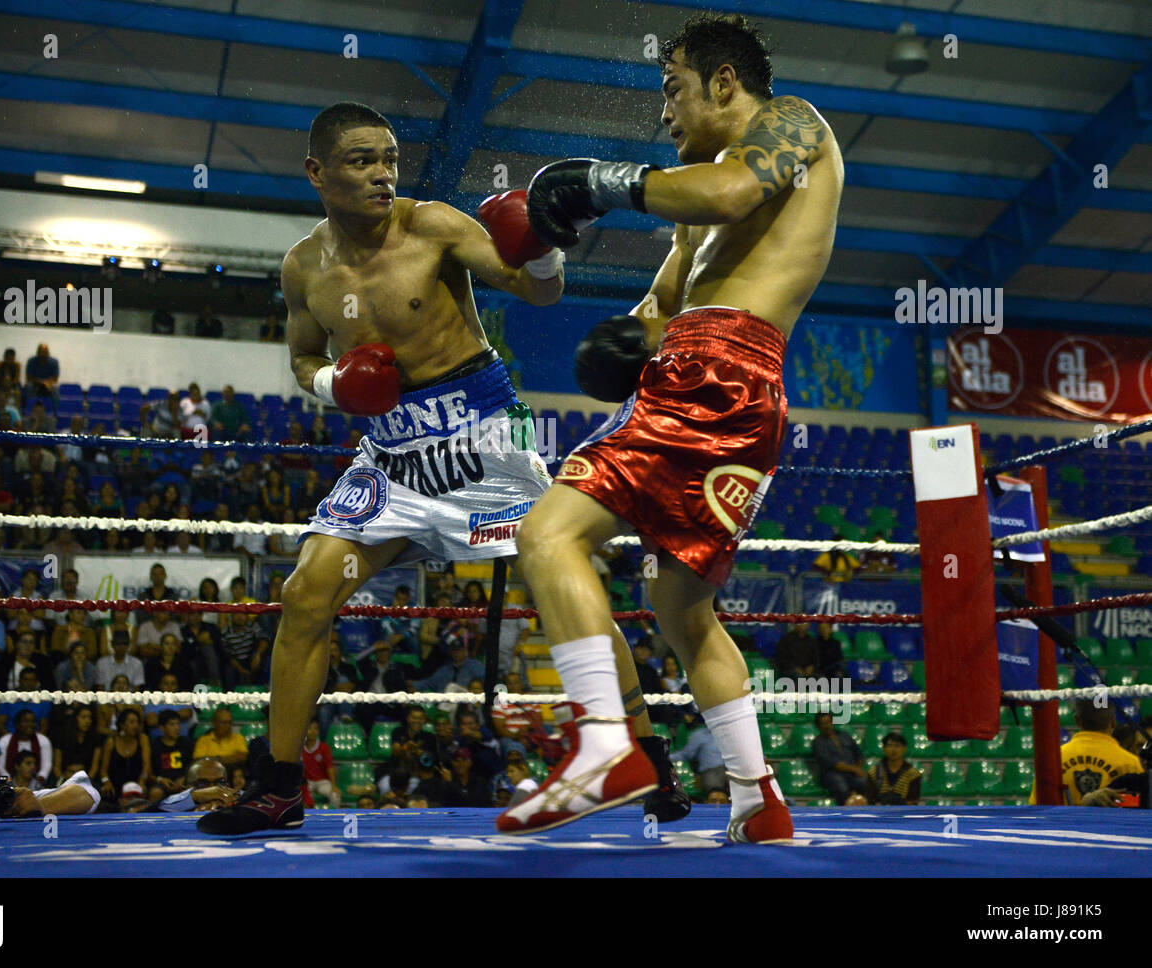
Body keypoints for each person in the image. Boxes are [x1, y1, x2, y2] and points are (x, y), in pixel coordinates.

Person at [199, 100, 671, 836]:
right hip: (390, 457)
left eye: (389, 157)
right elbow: (300, 357)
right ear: (317, 173)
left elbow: (537, 289)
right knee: (305, 594)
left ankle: (645, 753)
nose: (384, 173)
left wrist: (541, 246)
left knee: (564, 587)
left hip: (483, 437)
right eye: (363, 161)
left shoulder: (435, 226)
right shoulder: (303, 267)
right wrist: (335, 384)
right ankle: (280, 784)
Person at [497, 13, 839, 838]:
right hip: (705, 381)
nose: (664, 112)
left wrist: (592, 181)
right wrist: (623, 340)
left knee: (548, 533)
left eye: (673, 88)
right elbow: (663, 306)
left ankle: (608, 745)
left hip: (720, 376)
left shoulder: (793, 122)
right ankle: (759, 799)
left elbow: (733, 191)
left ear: (726, 82)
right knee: (681, 608)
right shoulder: (695, 197)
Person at [1030, 699, 1146, 806]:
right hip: (1111, 827)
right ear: (1113, 721)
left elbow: (1036, 806)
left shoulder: (1053, 759)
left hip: (1062, 827)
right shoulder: (1131, 763)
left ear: (1077, 720)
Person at [97, 707, 151, 803]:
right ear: (122, 725)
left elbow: (146, 766)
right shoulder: (111, 741)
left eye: (137, 722)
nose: (135, 726)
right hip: (115, 785)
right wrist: (107, 782)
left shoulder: (143, 739)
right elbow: (103, 770)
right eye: (131, 722)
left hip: (136, 784)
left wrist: (142, 781)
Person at [812, 711, 866, 805]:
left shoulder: (845, 736)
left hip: (852, 774)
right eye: (823, 724)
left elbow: (859, 754)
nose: (827, 726)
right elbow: (831, 763)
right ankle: (846, 813)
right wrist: (855, 770)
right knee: (841, 786)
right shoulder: (818, 743)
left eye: (828, 722)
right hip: (832, 775)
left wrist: (859, 769)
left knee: (865, 783)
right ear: (818, 726)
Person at [156, 758, 239, 812]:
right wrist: (194, 797)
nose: (213, 789)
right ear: (186, 787)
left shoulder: (239, 797)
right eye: (202, 783)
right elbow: (158, 808)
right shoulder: (171, 804)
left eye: (220, 782)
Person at [149, 710, 194, 801]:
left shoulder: (186, 743)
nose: (177, 728)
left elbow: (192, 767)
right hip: (161, 783)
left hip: (183, 782)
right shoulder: (154, 745)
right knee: (155, 792)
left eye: (178, 724)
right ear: (162, 728)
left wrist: (183, 779)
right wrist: (161, 780)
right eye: (172, 725)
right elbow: (149, 772)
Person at [0, 708, 54, 782]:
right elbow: (0, 767)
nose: (30, 725)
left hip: (37, 783)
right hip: (10, 782)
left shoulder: (43, 740)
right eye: (26, 721)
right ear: (17, 724)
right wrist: (10, 782)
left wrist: (39, 780)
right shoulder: (5, 740)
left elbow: (46, 765)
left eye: (33, 722)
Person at [866, 731, 922, 806]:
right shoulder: (874, 772)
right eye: (889, 746)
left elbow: (913, 800)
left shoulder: (913, 774)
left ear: (904, 749)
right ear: (884, 749)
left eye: (897, 746)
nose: (893, 750)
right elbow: (870, 799)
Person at [300, 719, 341, 808]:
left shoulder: (324, 748)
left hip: (322, 781)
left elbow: (329, 767)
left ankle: (333, 818)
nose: (313, 731)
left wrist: (334, 786)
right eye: (309, 729)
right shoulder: (299, 748)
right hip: (307, 782)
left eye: (316, 729)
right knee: (299, 796)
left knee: (335, 796)